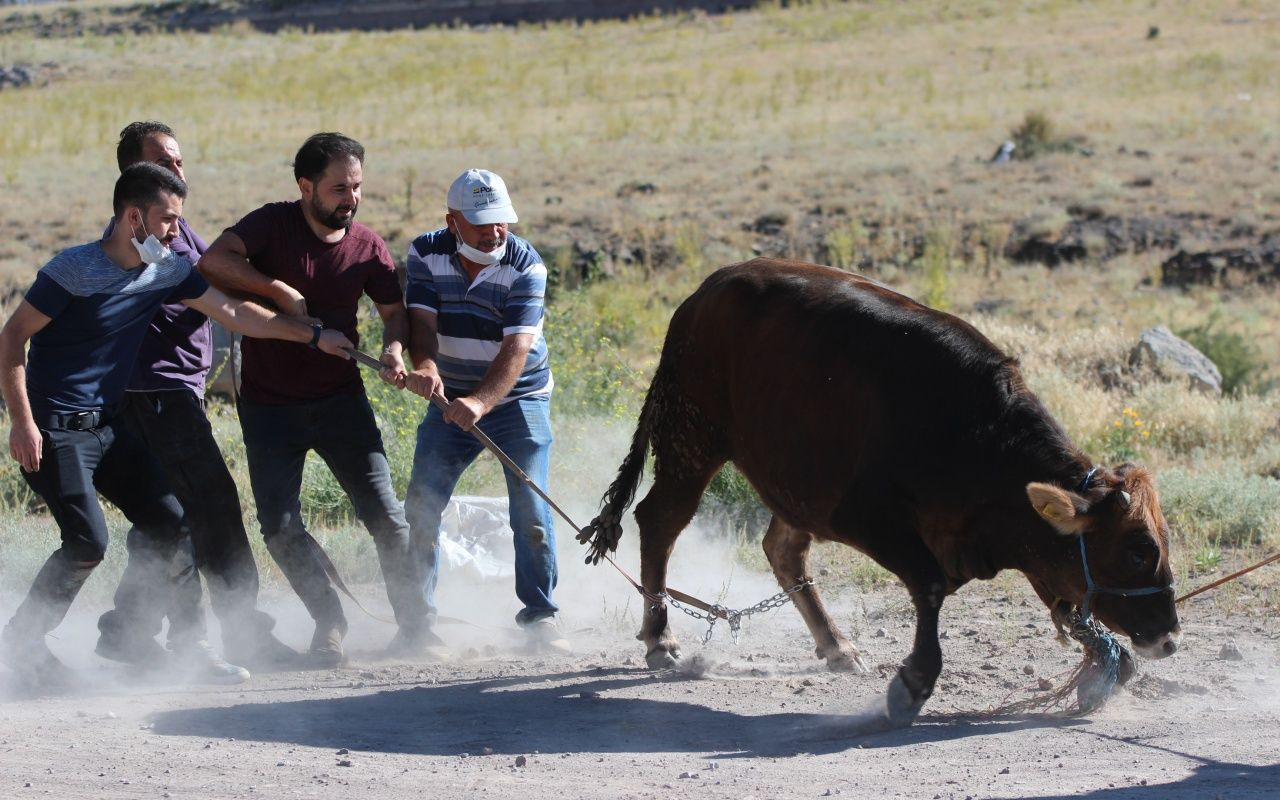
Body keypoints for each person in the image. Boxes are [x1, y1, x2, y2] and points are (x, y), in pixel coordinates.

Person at [0, 163, 353, 688]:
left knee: (173, 524)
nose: (175, 231)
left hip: (109, 427)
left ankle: (187, 648)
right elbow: (11, 340)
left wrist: (309, 335)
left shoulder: (163, 268)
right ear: (133, 216)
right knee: (86, 543)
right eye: (167, 220)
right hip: (55, 430)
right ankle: (21, 647)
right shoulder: (71, 271)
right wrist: (22, 422)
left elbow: (233, 314)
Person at [198, 132, 429, 666]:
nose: (350, 199)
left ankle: (416, 626)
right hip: (268, 407)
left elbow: (394, 312)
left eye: (357, 187)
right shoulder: (270, 224)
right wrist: (279, 291)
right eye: (338, 188)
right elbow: (214, 262)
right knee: (279, 528)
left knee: (387, 519)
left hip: (340, 401)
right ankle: (331, 620)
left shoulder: (368, 245)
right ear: (305, 186)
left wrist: (394, 350)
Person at [93, 121, 300, 676]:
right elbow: (223, 303)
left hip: (160, 394)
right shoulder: (145, 240)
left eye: (180, 161)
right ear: (135, 174)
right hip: (155, 396)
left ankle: (127, 633)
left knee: (165, 519)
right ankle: (218, 641)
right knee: (205, 514)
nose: (178, 170)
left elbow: (216, 278)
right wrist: (299, 323)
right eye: (164, 162)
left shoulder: (169, 229)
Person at [402, 168, 569, 655]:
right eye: (481, 224)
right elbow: (422, 323)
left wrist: (479, 402)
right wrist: (426, 367)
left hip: (519, 399)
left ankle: (540, 615)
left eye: (501, 222)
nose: (494, 232)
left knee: (531, 509)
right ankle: (415, 624)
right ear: (452, 221)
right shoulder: (425, 252)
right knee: (422, 506)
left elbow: (517, 348)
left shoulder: (526, 268)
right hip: (448, 397)